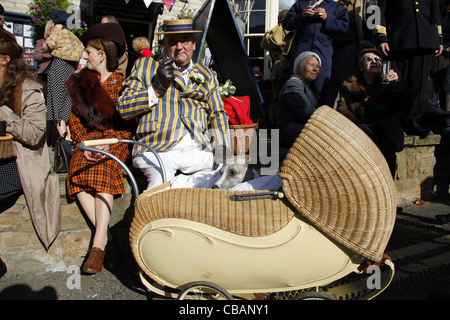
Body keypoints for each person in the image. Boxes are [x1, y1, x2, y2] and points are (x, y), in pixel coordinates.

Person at [118, 19, 231, 190]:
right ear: (164, 44)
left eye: (184, 40)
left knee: (218, 187)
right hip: (157, 148)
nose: (179, 47)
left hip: (197, 150)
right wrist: (156, 88)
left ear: (193, 44)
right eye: (172, 42)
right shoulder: (145, 66)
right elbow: (124, 108)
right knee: (160, 188)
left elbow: (218, 114)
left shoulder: (207, 74)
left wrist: (223, 149)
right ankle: (149, 215)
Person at [65, 23, 132, 274]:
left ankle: (97, 247)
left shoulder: (123, 85)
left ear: (102, 54)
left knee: (102, 170)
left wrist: (108, 142)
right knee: (77, 175)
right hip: (88, 144)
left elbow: (128, 123)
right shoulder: (84, 84)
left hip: (115, 143)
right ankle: (109, 239)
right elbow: (74, 120)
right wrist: (84, 143)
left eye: (89, 52)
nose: (85, 56)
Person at [0, 29, 60, 249]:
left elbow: (35, 135)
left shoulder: (28, 90)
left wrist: (4, 114)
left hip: (18, 164)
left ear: (4, 59)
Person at [375, 0, 444, 137]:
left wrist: (439, 38)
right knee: (394, 82)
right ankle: (395, 120)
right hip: (399, 38)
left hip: (425, 39)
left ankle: (414, 120)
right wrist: (380, 36)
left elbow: (435, 14)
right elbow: (376, 12)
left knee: (419, 84)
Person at [336, 48, 404, 178]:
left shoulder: (388, 82)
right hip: (362, 136)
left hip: (385, 134)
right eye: (369, 59)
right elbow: (342, 110)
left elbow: (403, 105)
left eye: (378, 60)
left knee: (388, 170)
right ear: (361, 65)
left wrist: (396, 84)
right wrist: (358, 125)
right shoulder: (349, 86)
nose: (374, 62)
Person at [282, 0, 349, 106]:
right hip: (301, 49)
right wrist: (301, 16)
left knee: (322, 89)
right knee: (296, 87)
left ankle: (318, 120)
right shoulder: (300, 4)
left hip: (323, 51)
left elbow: (344, 27)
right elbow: (286, 23)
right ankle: (296, 120)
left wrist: (327, 18)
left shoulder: (335, 7)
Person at [42, 11, 84, 141]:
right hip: (71, 69)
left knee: (56, 103)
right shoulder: (74, 37)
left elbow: (44, 48)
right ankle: (68, 137)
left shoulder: (58, 34)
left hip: (58, 67)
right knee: (66, 103)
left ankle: (64, 139)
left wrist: (53, 34)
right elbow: (81, 50)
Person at [327, 0, 375, 108]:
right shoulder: (334, 4)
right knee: (330, 93)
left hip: (353, 49)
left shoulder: (366, 2)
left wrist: (368, 45)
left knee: (350, 89)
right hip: (330, 51)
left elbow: (373, 24)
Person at [278, 51, 321, 148]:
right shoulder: (293, 85)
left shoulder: (305, 86)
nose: (315, 69)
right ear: (298, 67)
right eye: (311, 65)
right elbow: (307, 112)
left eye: (318, 67)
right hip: (299, 138)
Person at [260, 9, 295, 127]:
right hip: (285, 68)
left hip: (276, 70)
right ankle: (279, 128)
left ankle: (274, 125)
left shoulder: (273, 32)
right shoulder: (288, 30)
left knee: (276, 99)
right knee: (285, 99)